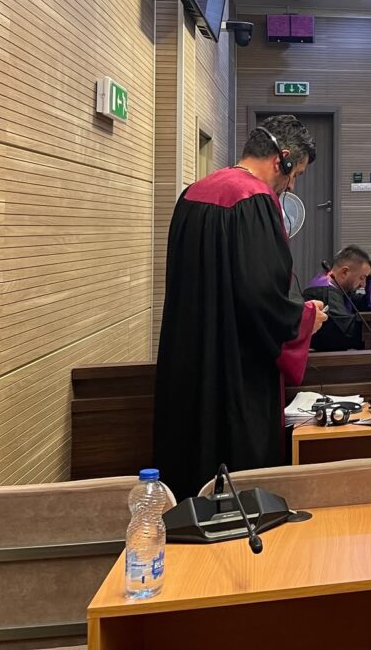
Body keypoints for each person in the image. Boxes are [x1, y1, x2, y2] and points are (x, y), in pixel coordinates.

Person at [152, 115, 328, 498]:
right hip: (236, 368)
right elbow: (262, 296)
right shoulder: (255, 201)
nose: (291, 185)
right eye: (295, 174)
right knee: (238, 482)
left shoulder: (191, 195)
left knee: (188, 465)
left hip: (188, 360)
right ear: (281, 159)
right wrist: (306, 319)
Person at [304, 245, 371, 351]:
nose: (363, 284)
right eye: (362, 278)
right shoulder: (324, 292)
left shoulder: (341, 290)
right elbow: (347, 334)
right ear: (345, 272)